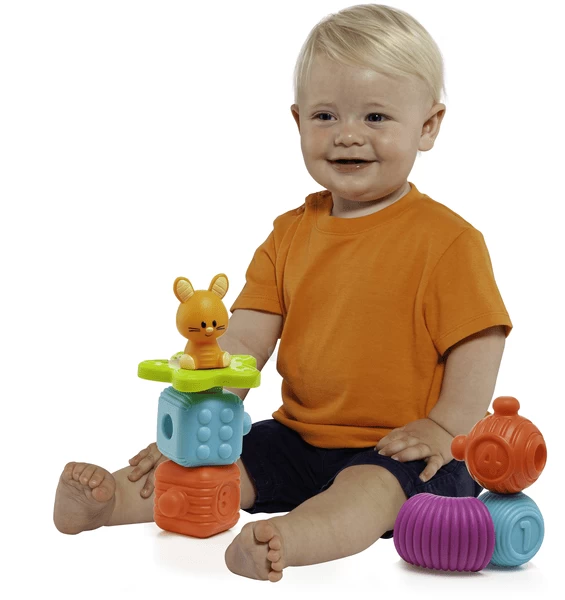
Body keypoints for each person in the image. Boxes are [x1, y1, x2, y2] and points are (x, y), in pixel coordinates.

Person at [53, 3, 511, 583]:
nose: (348, 134)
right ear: (297, 121)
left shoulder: (448, 241)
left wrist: (445, 428)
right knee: (212, 463)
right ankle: (109, 503)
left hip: (405, 450)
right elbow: (244, 340)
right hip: (297, 435)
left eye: (375, 116)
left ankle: (286, 540)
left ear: (428, 126)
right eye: (325, 115)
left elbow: (479, 341)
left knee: (366, 492)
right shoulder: (288, 235)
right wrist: (201, 413)